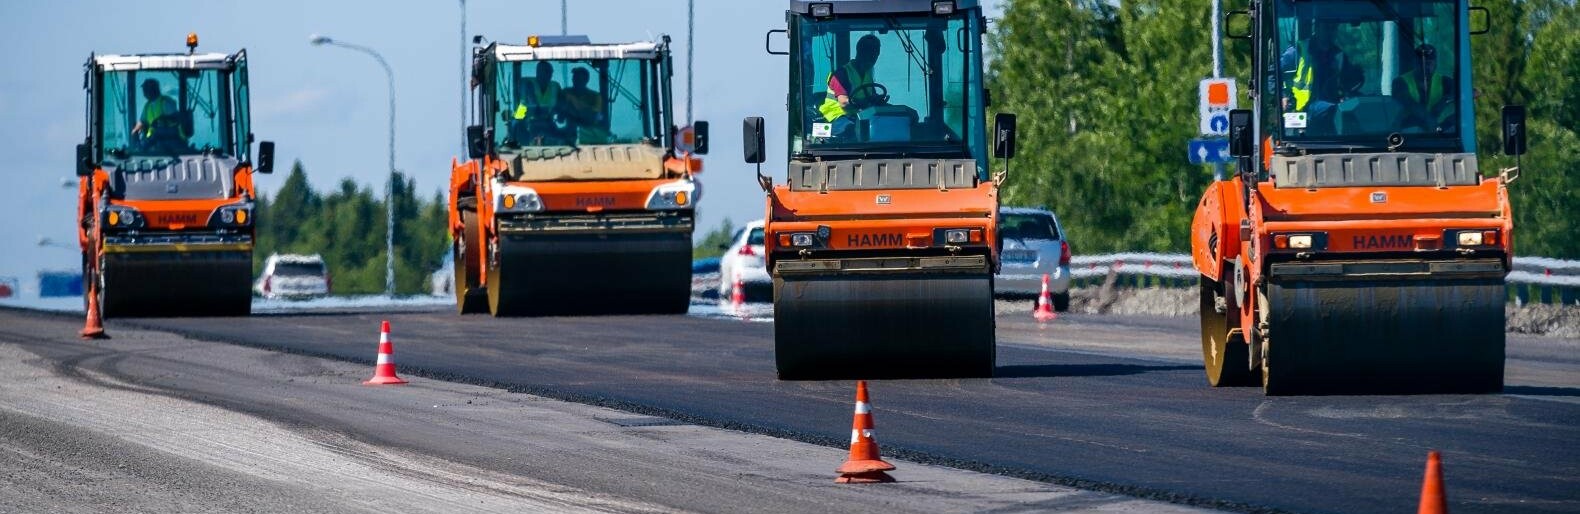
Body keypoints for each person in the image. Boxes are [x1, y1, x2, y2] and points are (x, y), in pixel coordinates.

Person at [817, 35, 884, 138]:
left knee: (888, 122)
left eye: (875, 55)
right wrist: (864, 102)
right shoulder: (841, 74)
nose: (872, 59)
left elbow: (871, 97)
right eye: (869, 54)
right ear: (860, 52)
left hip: (856, 117)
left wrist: (877, 100)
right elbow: (844, 103)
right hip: (835, 119)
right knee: (855, 131)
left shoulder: (867, 75)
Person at [1392, 44, 1454, 131]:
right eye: (1421, 63)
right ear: (1414, 63)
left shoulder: (1445, 81)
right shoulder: (1400, 82)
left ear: (1435, 63)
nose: (1425, 67)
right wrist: (1431, 118)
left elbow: (1474, 92)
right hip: (1406, 132)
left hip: (1439, 133)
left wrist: (1446, 100)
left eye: (1429, 63)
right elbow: (1410, 104)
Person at [510, 61, 562, 143]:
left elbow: (561, 106)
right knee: (514, 124)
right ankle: (512, 142)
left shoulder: (555, 86)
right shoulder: (527, 83)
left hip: (548, 120)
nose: (549, 74)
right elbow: (524, 104)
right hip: (525, 114)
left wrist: (557, 112)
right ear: (538, 72)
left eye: (550, 72)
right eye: (545, 71)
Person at [130, 79, 185, 148]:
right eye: (144, 90)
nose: (144, 93)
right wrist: (135, 129)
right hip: (154, 140)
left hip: (171, 139)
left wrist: (161, 119)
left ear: (154, 89)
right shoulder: (147, 106)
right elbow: (142, 121)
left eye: (146, 89)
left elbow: (175, 117)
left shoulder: (166, 102)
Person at [560, 67, 607, 142]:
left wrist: (573, 100)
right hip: (569, 132)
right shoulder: (565, 92)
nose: (575, 81)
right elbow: (559, 114)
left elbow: (593, 116)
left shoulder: (595, 96)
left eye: (579, 79)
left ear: (586, 80)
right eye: (574, 78)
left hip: (590, 135)